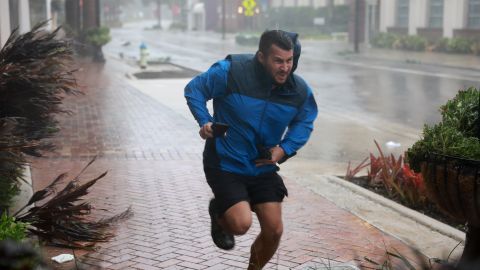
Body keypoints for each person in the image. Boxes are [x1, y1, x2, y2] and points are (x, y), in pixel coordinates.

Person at [184, 30, 318, 269]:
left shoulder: (298, 90)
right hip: (226, 162)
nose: (285, 68)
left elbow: (305, 120)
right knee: (240, 224)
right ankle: (219, 212)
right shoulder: (231, 72)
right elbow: (195, 89)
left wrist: (284, 149)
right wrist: (205, 121)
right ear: (261, 57)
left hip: (261, 165)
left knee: (274, 230)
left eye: (289, 61)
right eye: (278, 61)